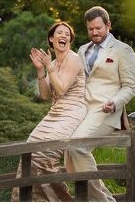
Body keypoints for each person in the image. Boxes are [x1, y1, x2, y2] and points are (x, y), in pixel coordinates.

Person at [64, 6, 135, 202]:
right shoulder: (82, 50)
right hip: (81, 110)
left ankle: (102, 202)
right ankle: (105, 198)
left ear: (108, 25)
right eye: (90, 29)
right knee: (69, 156)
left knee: (77, 147)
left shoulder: (123, 50)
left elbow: (131, 87)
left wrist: (114, 102)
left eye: (98, 28)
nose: (94, 32)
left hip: (105, 111)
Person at [11, 21, 88, 202]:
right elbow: (45, 95)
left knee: (45, 154)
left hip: (72, 111)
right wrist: (40, 70)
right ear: (51, 39)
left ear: (70, 41)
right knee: (29, 152)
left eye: (67, 34)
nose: (64, 36)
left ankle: (59, 200)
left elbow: (61, 90)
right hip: (54, 113)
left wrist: (48, 66)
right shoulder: (52, 63)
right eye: (59, 33)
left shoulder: (74, 59)